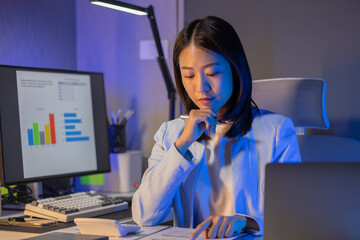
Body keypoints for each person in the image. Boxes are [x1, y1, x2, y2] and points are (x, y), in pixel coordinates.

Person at [132, 16, 301, 239]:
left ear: (234, 68)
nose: (200, 86)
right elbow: (144, 216)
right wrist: (182, 144)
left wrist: (245, 221)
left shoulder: (277, 131)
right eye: (189, 75)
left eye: (212, 73)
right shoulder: (171, 134)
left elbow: (294, 217)